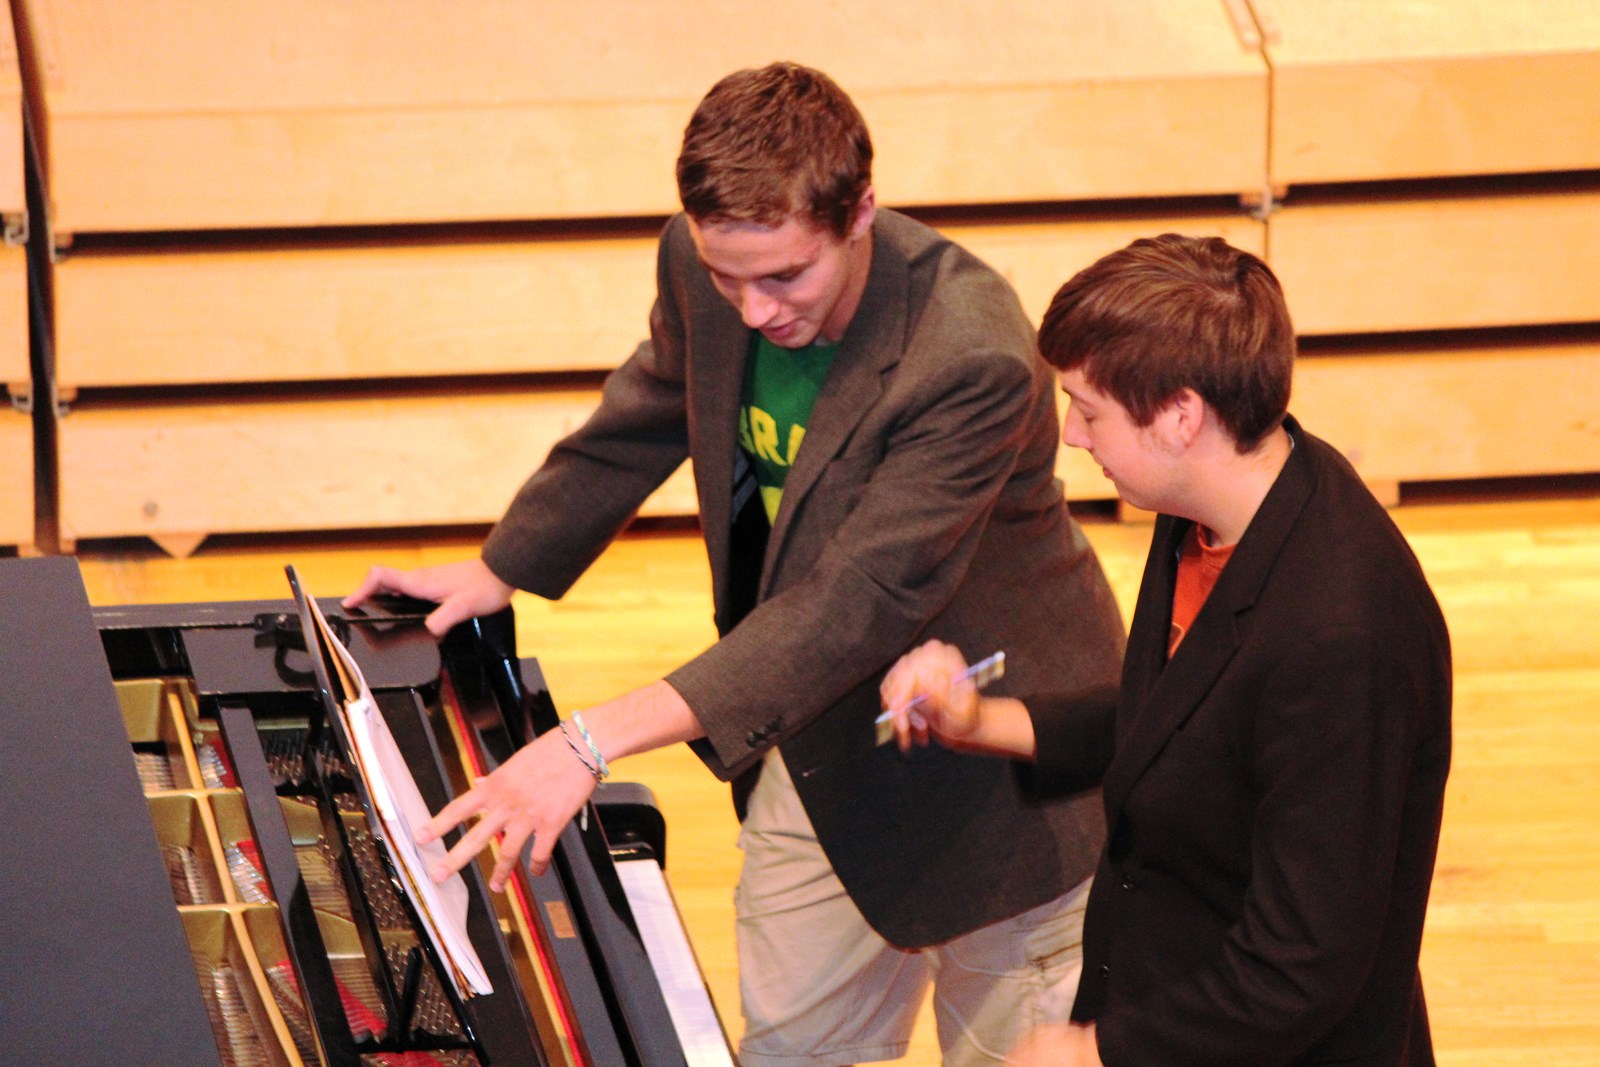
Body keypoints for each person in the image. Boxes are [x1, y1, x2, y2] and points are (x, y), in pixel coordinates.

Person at [345, 62, 1126, 1066]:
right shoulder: (700, 255)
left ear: (861, 213)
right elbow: (655, 400)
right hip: (812, 738)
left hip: (1000, 782)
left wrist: (587, 743)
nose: (752, 310)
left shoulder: (969, 352)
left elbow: (857, 601)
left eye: (785, 278)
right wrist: (505, 563)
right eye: (728, 278)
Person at [882, 234, 1451, 1066]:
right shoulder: (1210, 506)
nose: (1072, 435)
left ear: (1181, 415)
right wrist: (980, 722)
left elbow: (1301, 966)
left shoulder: (1342, 638)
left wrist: (1096, 1051)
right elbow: (1188, 716)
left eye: (1089, 409)